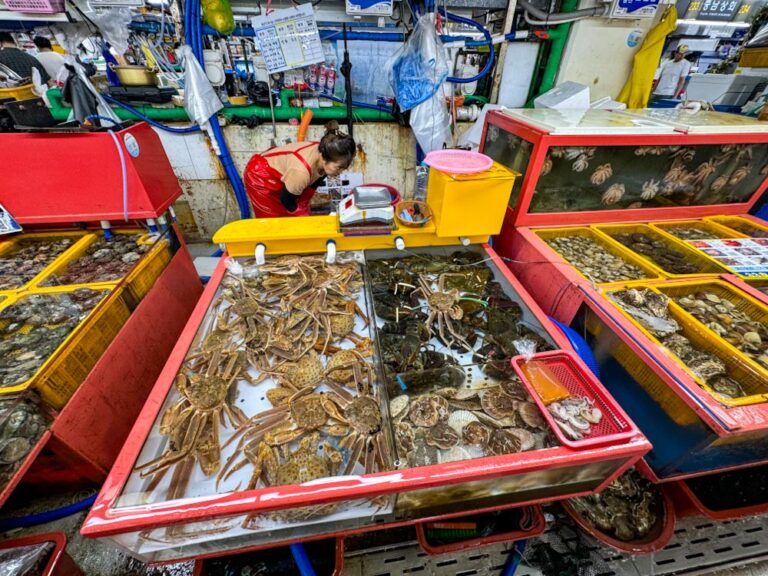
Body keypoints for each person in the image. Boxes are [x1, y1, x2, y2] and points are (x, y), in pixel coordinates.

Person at [244, 121, 356, 218]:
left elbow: (318, 177)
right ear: (323, 158)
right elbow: (286, 200)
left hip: (285, 172)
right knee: (274, 221)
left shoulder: (326, 150)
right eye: (339, 168)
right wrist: (301, 214)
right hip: (260, 175)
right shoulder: (301, 173)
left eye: (343, 168)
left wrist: (303, 205)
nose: (341, 172)